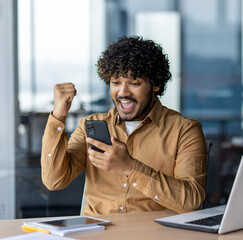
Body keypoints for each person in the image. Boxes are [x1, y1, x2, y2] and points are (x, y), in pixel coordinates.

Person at [41, 36, 208, 215]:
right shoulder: (92, 125)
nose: (123, 92)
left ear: (156, 85)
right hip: (97, 233)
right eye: (116, 82)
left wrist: (130, 167)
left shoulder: (185, 130)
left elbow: (191, 200)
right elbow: (54, 181)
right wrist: (58, 116)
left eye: (134, 83)